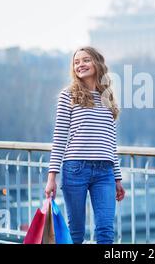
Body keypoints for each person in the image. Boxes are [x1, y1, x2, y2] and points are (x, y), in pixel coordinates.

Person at [45, 46, 125, 244]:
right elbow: (60, 136)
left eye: (86, 60)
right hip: (75, 169)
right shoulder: (68, 95)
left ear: (97, 63)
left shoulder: (108, 98)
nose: (80, 65)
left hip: (105, 172)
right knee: (76, 232)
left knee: (106, 230)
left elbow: (110, 142)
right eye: (76, 62)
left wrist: (117, 178)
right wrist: (51, 177)